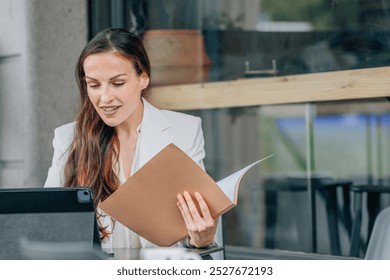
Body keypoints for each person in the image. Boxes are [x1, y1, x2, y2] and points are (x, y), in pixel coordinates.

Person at [44, 28, 217, 250]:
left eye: (117, 83)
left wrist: (200, 240)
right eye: (94, 85)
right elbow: (47, 224)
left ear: (143, 78)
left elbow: (193, 225)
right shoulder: (68, 139)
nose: (104, 97)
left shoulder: (185, 131)